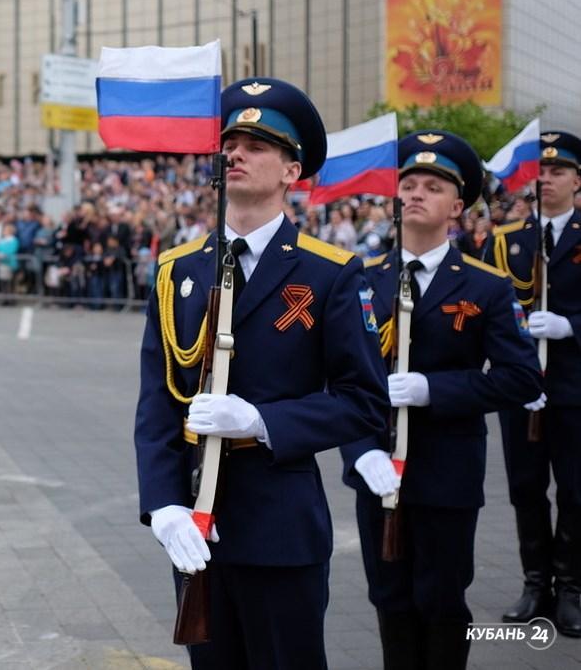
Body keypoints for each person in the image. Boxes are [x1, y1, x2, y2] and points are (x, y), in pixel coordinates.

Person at [135, 77, 389, 669]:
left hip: (280, 531)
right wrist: (164, 504)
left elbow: (362, 402)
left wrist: (263, 420)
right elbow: (156, 403)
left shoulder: (331, 273)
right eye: (229, 143)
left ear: (290, 172)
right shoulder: (178, 271)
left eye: (256, 144)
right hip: (198, 531)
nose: (235, 153)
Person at [341, 130, 542, 668]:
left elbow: (523, 379)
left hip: (447, 472)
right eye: (407, 183)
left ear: (456, 206)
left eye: (431, 186)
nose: (415, 193)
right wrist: (359, 450)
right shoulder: (361, 280)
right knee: (389, 598)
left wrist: (436, 389)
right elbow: (339, 378)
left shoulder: (486, 286)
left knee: (441, 600)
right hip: (379, 467)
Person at [485, 130, 581, 637]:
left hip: (574, 388)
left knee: (575, 490)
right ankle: (534, 583)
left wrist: (571, 326)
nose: (546, 180)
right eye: (540, 172)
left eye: (558, 171)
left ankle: (571, 588)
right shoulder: (507, 240)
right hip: (521, 388)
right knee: (525, 489)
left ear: (577, 180)